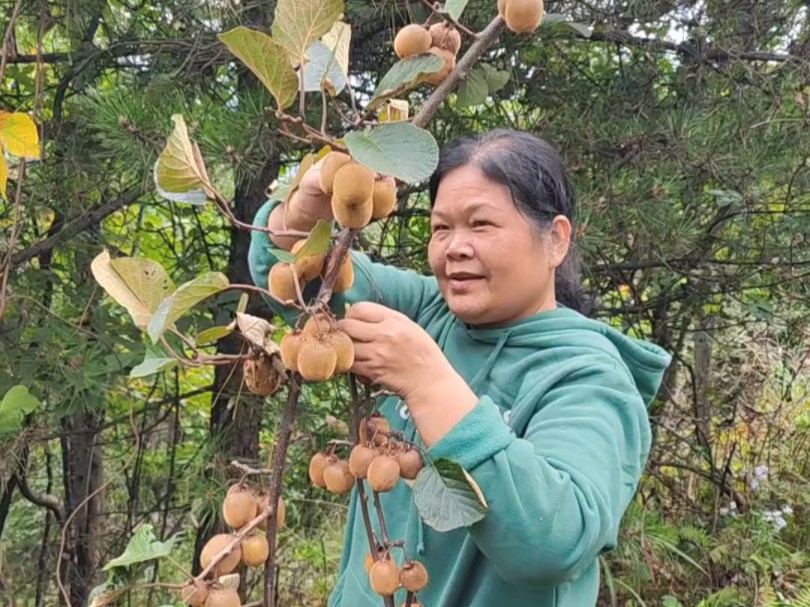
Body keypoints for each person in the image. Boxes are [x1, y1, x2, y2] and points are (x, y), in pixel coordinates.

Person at [248, 129, 672, 607]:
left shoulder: (589, 377)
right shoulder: (430, 312)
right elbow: (296, 286)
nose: (454, 247)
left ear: (555, 240)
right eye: (441, 228)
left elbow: (554, 541)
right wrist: (303, 211)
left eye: (482, 224)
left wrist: (426, 381)